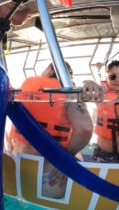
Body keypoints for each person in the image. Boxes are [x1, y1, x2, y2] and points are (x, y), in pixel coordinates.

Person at [8, 63, 93, 198]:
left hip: (15, 165)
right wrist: (66, 158)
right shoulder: (69, 92)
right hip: (49, 174)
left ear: (50, 69)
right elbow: (85, 128)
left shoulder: (26, 85)